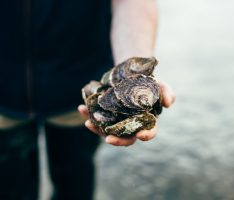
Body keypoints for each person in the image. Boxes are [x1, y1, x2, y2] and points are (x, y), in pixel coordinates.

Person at [0, 0, 175, 200]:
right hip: (3, 97)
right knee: (9, 189)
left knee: (75, 184)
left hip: (85, 93)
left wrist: (132, 76)